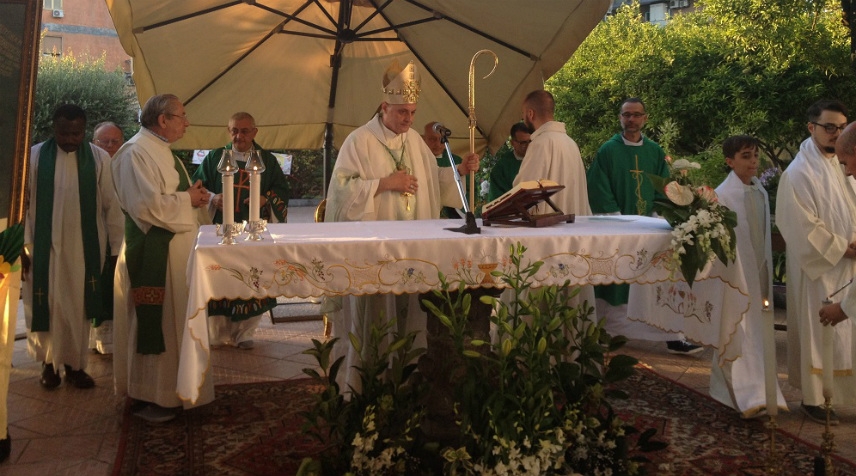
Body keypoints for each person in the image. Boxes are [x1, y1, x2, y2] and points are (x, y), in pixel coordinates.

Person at [324, 60, 479, 390]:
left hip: (412, 251)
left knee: (411, 315)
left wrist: (460, 171)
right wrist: (384, 183)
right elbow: (340, 192)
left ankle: (409, 379)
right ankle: (369, 382)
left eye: (412, 112)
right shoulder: (359, 141)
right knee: (378, 317)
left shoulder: (415, 142)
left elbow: (433, 181)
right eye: (402, 112)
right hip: (375, 250)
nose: (408, 119)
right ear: (384, 107)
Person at [111, 93, 215, 422]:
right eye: (182, 116)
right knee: (162, 328)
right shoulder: (135, 153)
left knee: (179, 325)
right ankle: (155, 395)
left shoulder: (161, 150)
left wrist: (205, 199)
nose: (187, 122)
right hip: (154, 252)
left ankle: (181, 392)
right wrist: (190, 199)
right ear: (163, 120)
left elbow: (178, 196)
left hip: (176, 252)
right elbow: (147, 207)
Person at [20, 104, 124, 390]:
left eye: (76, 133)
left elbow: (111, 206)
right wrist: (22, 246)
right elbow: (21, 206)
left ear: (84, 131)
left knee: (77, 306)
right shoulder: (34, 156)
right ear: (54, 128)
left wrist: (116, 250)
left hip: (83, 248)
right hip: (42, 248)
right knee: (47, 304)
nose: (70, 139)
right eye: (64, 133)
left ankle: (75, 366)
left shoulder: (99, 159)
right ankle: (48, 365)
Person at [586, 97, 701, 355]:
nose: (632, 120)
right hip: (618, 228)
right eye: (627, 115)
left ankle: (670, 334)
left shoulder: (655, 151)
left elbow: (665, 185)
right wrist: (616, 216)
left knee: (660, 276)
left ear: (645, 118)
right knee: (618, 277)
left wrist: (660, 212)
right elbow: (598, 185)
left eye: (637, 115)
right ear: (620, 118)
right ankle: (609, 329)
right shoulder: (608, 151)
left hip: (650, 226)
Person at [778, 102, 856, 425]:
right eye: (829, 127)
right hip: (820, 270)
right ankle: (815, 398)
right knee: (819, 333)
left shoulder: (845, 165)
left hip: (851, 268)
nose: (834, 133)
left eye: (840, 127)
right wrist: (842, 248)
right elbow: (799, 226)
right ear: (811, 128)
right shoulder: (797, 173)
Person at [191, 112, 290, 349]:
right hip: (220, 230)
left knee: (252, 275)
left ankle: (246, 332)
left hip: (254, 231)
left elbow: (281, 191)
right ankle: (217, 332)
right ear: (229, 131)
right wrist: (214, 198)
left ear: (255, 132)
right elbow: (196, 187)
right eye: (234, 130)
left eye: (245, 131)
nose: (239, 136)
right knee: (221, 275)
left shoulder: (266, 159)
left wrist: (266, 199)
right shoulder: (216, 157)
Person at [708, 135, 786, 418]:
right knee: (738, 331)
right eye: (745, 156)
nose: (753, 162)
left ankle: (761, 389)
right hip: (736, 274)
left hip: (759, 269)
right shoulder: (723, 195)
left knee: (757, 333)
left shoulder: (760, 191)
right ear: (729, 162)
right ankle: (739, 393)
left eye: (755, 155)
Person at [513, 89, 594, 312]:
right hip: (572, 232)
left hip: (547, 236)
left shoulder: (540, 143)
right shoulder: (570, 143)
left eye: (523, 114)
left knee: (542, 299)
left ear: (530, 113)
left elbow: (524, 191)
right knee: (570, 296)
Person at [90, 121, 126, 355]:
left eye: (115, 141)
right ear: (95, 143)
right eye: (105, 141)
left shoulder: (130, 164)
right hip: (96, 238)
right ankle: (99, 340)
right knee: (98, 289)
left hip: (124, 239)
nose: (110, 146)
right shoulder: (87, 167)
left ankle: (120, 337)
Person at [422, 121, 465, 218]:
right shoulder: (417, 159)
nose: (437, 144)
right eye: (432, 139)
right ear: (423, 139)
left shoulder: (456, 161)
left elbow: (468, 189)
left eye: (441, 139)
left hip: (453, 216)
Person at [488, 122, 532, 202]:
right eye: (523, 143)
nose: (528, 146)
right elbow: (497, 198)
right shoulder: (501, 167)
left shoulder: (537, 159)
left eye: (530, 141)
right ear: (512, 143)